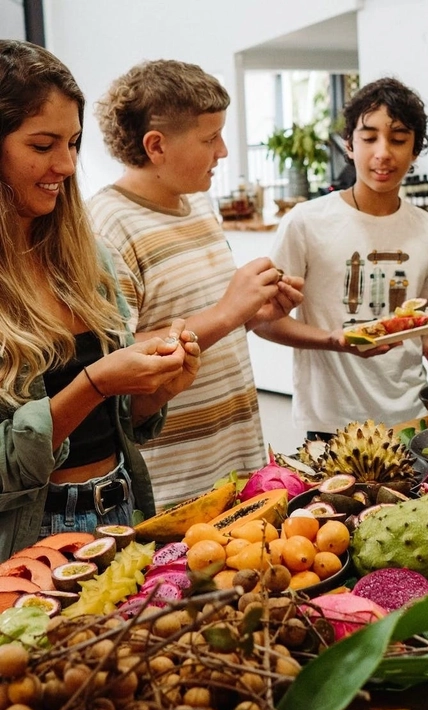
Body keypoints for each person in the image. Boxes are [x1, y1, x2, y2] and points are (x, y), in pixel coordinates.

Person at [0, 41, 200, 560]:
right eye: (42, 145)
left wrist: (154, 389)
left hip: (121, 506)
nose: (66, 165)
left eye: (73, 143)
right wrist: (94, 383)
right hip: (30, 538)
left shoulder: (87, 256)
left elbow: (115, 422)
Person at [88, 59, 304, 509]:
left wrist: (250, 315)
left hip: (236, 463)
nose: (222, 151)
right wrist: (227, 311)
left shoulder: (200, 205)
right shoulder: (106, 227)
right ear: (156, 146)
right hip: (175, 487)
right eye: (210, 139)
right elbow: (115, 358)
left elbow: (199, 321)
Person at [256, 78, 428, 436]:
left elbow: (423, 323)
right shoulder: (306, 223)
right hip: (330, 422)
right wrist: (332, 339)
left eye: (398, 139)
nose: (383, 152)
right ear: (349, 145)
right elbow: (264, 321)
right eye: (369, 138)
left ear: (415, 151)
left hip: (409, 414)